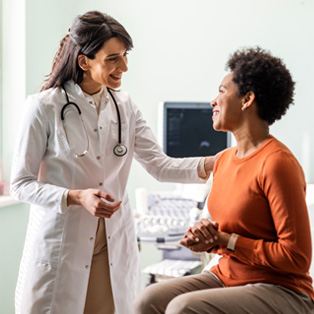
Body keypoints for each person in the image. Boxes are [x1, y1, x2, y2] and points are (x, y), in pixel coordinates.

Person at [10, 11, 218, 314]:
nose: (124, 67)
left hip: (111, 247)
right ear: (84, 61)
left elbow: (160, 165)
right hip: (62, 247)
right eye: (113, 59)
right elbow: (20, 184)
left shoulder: (125, 106)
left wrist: (220, 162)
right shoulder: (43, 107)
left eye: (124, 56)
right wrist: (76, 197)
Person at [134, 47, 314, 314]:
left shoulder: (277, 163)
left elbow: (296, 258)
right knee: (147, 300)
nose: (213, 101)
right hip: (227, 275)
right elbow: (229, 231)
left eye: (221, 91)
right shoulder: (224, 160)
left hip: (280, 287)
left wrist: (226, 240)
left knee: (182, 309)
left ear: (247, 100)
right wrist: (206, 237)